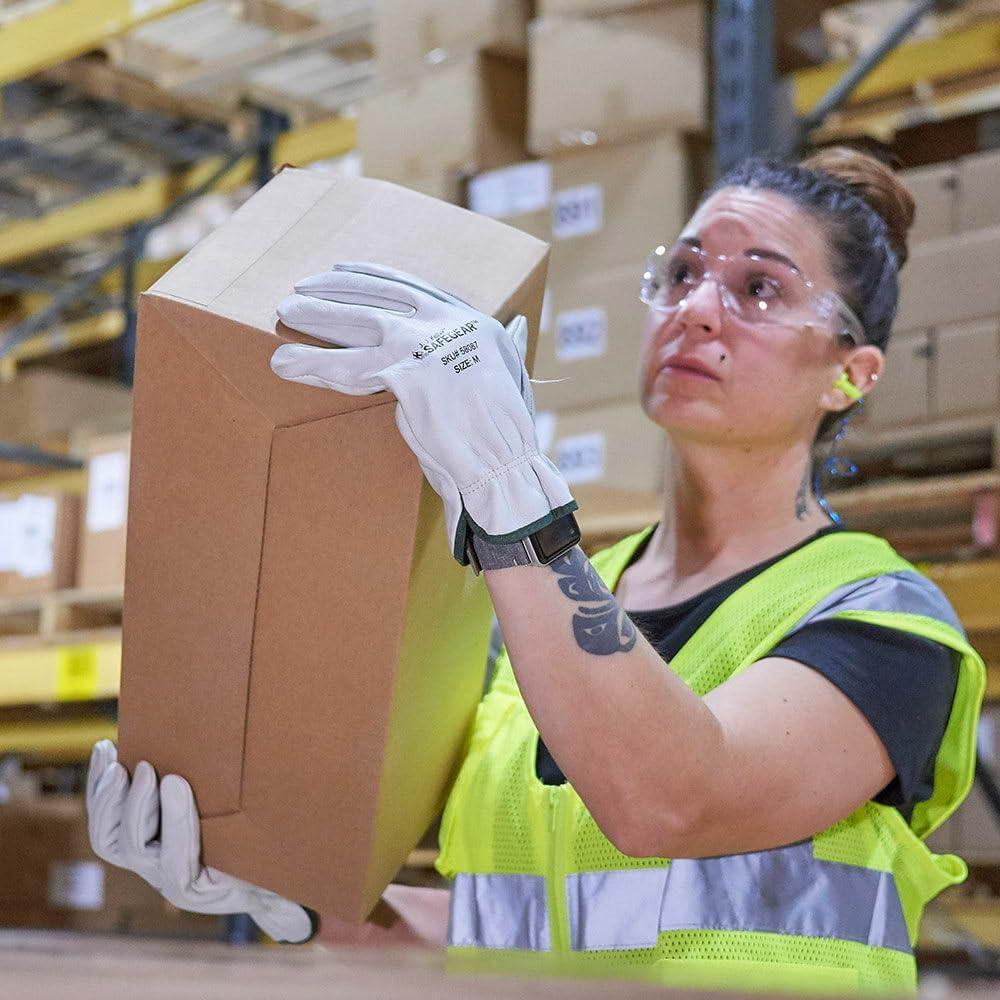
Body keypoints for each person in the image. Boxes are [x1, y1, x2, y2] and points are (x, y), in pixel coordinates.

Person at [87, 147, 986, 993]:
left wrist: (508, 488)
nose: (698, 308)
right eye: (681, 273)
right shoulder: (530, 618)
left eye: (759, 288)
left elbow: (673, 799)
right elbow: (503, 934)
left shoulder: (883, 623)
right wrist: (284, 900)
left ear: (851, 375)